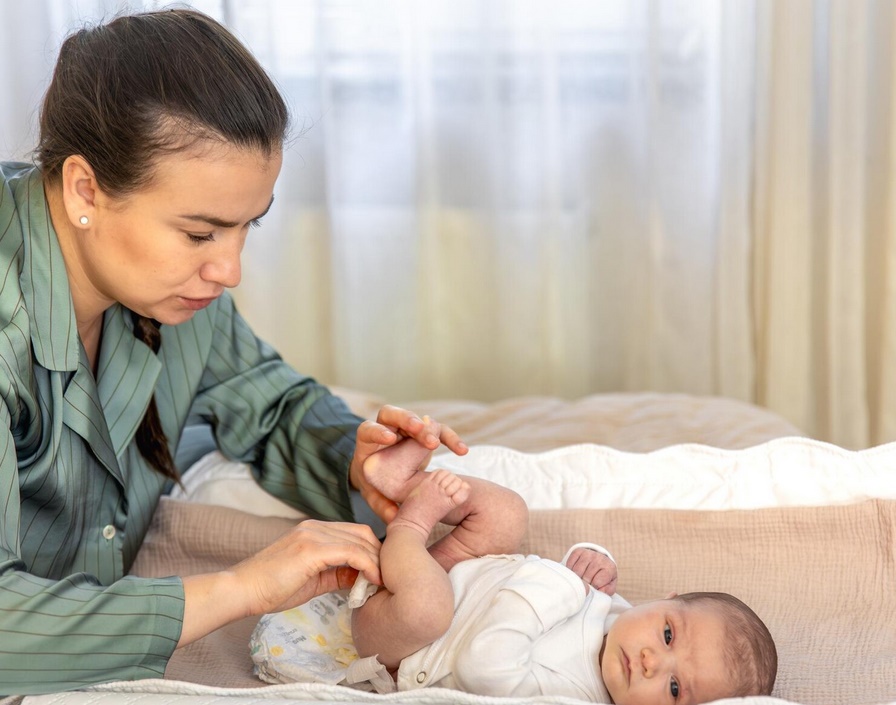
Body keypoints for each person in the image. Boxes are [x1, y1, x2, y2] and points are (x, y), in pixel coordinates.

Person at [0, 8, 468, 696]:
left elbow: (272, 405)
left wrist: (360, 465)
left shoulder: (174, 297)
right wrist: (243, 586)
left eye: (249, 225)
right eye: (200, 234)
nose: (231, 271)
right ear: (84, 189)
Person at [343, 418, 778, 703]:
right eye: (667, 634)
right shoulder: (620, 616)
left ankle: (409, 525)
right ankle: (403, 483)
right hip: (458, 573)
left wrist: (558, 588)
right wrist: (592, 561)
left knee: (426, 607)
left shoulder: (575, 694)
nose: (651, 661)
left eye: (675, 688)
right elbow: (575, 575)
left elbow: (485, 667)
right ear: (667, 599)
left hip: (407, 638)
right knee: (508, 513)